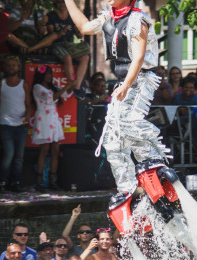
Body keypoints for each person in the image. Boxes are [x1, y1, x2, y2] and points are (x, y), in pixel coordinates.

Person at [64, 0, 172, 199]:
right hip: (124, 81)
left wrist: (126, 85)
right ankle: (127, 188)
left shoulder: (138, 20)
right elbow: (84, 27)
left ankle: (156, 165)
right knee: (112, 139)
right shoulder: (109, 17)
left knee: (130, 123)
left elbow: (139, 58)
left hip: (141, 79)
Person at [32, 65, 74, 191]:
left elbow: (66, 94)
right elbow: (50, 98)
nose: (49, 76)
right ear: (41, 75)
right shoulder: (37, 87)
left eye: (50, 74)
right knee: (44, 150)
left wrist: (71, 84)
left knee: (55, 150)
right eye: (47, 74)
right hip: (43, 120)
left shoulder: (53, 86)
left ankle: (53, 182)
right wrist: (65, 87)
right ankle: (39, 183)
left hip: (54, 120)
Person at [0, 56, 31, 192]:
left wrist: (28, 113)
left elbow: (28, 104)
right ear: (5, 67)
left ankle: (15, 182)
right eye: (9, 65)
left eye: (14, 65)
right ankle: (2, 181)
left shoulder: (24, 84)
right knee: (9, 154)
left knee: (19, 157)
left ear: (19, 67)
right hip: (5, 125)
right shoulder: (0, 84)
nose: (11, 67)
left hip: (21, 125)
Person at [40, 0, 90, 93]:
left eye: (63, 2)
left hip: (70, 45)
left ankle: (77, 87)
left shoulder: (72, 16)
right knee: (67, 57)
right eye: (59, 2)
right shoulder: (51, 16)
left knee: (85, 57)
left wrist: (80, 32)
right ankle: (71, 82)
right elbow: (50, 33)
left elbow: (78, 34)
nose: (61, 4)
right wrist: (61, 32)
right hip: (56, 44)